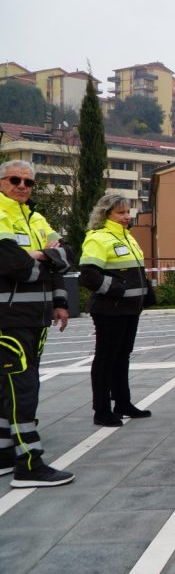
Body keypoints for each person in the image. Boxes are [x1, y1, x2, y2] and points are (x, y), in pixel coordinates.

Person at [0, 159, 75, 487]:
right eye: (15, 179)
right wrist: (46, 258)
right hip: (9, 318)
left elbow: (66, 257)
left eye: (29, 182)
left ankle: (4, 456)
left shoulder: (37, 217)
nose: (22, 186)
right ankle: (29, 465)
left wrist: (59, 300)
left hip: (36, 318)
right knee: (22, 389)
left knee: (9, 388)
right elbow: (14, 266)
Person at [80, 194, 155, 426]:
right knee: (106, 359)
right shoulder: (98, 238)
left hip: (130, 310)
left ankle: (122, 403)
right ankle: (101, 410)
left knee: (122, 357)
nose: (126, 216)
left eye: (127, 212)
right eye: (120, 212)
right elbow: (89, 276)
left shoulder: (128, 238)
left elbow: (135, 272)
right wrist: (118, 290)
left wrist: (147, 293)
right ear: (106, 214)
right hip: (109, 310)